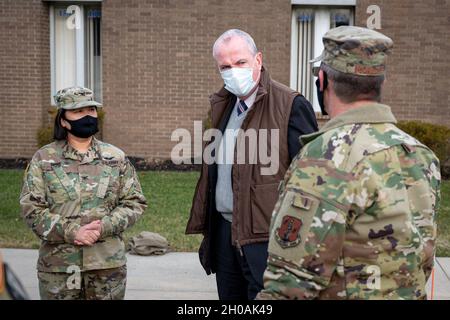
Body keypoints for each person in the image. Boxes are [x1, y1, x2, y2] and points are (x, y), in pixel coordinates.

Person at [257, 26, 441, 300]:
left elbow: (289, 285)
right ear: (381, 84)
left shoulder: (326, 157)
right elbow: (422, 258)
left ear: (322, 81)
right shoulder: (420, 153)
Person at [186, 29, 318, 300]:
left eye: (240, 62)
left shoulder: (290, 105)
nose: (233, 71)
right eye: (225, 66)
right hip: (225, 233)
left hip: (265, 239)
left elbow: (310, 183)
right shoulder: (225, 105)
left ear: (258, 60)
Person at [19, 86, 147, 300]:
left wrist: (103, 227)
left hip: (106, 266)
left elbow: (134, 203)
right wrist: (72, 232)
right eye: (78, 112)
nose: (87, 116)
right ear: (63, 120)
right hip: (59, 268)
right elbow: (31, 208)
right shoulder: (44, 159)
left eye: (91, 110)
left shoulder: (115, 157)